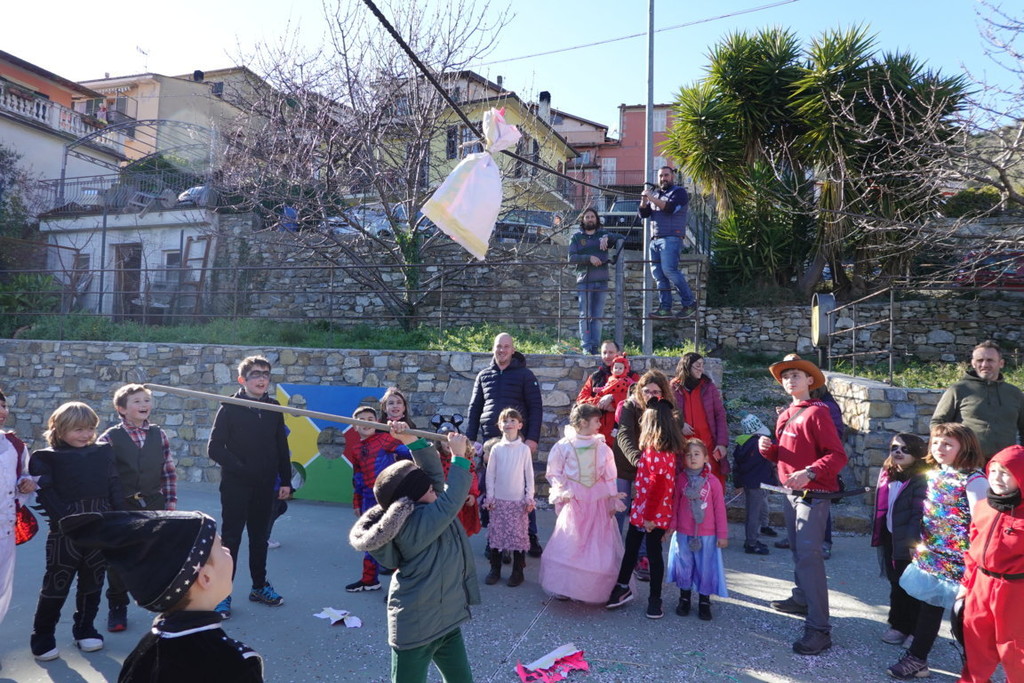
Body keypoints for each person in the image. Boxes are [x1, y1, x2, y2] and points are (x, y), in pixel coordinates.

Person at [61, 510, 263, 682]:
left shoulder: (141, 654)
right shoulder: (236, 663)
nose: (227, 550)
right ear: (206, 578)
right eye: (221, 546)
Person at [349, 426, 478, 683]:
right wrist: (459, 457)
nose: (435, 489)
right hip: (416, 629)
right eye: (428, 488)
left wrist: (412, 441)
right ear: (412, 498)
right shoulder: (418, 522)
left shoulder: (428, 502)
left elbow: (433, 477)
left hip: (446, 621)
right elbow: (454, 497)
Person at [757, 353, 846, 656]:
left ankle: (820, 629)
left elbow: (837, 456)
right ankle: (802, 598)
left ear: (810, 380)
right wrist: (769, 451)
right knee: (798, 550)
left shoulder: (818, 412)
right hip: (790, 492)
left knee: (809, 556)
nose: (789, 380)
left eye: (795, 374)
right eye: (785, 376)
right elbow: (787, 454)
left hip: (813, 494)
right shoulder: (786, 414)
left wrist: (809, 472)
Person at [888, 423, 986, 679]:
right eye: (936, 443)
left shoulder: (974, 481)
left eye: (948, 444)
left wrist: (975, 560)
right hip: (933, 556)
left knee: (964, 616)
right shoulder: (936, 474)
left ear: (965, 448)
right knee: (929, 607)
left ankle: (976, 667)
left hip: (962, 562)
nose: (939, 448)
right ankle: (917, 659)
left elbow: (982, 523)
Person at [29, 401, 124, 661]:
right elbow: (47, 495)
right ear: (59, 429)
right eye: (78, 429)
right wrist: (69, 522)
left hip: (100, 527)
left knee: (93, 581)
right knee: (57, 583)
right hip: (65, 533)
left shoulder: (103, 451)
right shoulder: (44, 457)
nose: (86, 434)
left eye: (90, 428)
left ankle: (85, 628)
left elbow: (114, 485)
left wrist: (122, 520)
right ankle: (42, 635)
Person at [207, 355, 292, 619]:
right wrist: (241, 467)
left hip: (265, 486)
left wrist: (285, 480)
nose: (262, 379)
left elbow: (281, 447)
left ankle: (259, 587)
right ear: (242, 379)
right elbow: (214, 448)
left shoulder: (273, 408)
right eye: (256, 374)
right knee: (231, 539)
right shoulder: (229, 407)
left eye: (266, 374)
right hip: (236, 485)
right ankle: (222, 594)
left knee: (259, 538)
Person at [97, 383, 177, 633]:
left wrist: (170, 504)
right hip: (122, 504)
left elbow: (168, 471)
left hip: (154, 502)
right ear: (121, 409)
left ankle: (162, 604)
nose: (144, 405)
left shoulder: (159, 434)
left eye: (146, 400)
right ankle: (117, 606)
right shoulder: (109, 438)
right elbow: (101, 474)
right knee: (119, 558)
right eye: (137, 401)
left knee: (157, 555)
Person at [466, 333, 544, 557]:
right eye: (498, 346)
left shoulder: (525, 375)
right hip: (491, 441)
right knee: (491, 489)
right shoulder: (484, 375)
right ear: (493, 348)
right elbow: (474, 408)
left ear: (513, 349)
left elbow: (536, 408)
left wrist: (532, 438)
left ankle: (530, 535)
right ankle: (495, 540)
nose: (502, 350)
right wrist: (470, 439)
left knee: (522, 489)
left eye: (506, 346)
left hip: (517, 440)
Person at [607, 398, 684, 619]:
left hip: (652, 515)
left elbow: (658, 487)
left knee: (653, 554)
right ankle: (623, 586)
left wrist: (649, 517)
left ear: (652, 425)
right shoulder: (653, 450)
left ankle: (655, 599)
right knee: (631, 549)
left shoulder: (659, 453)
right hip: (642, 512)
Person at [541, 404, 625, 603]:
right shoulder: (564, 446)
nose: (599, 425)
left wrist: (612, 497)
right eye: (596, 421)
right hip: (575, 499)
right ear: (583, 422)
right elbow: (554, 471)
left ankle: (589, 588)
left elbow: (609, 475)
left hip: (597, 501)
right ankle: (565, 585)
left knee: (596, 543)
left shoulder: (602, 448)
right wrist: (561, 490)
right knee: (571, 540)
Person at [958, 445, 1024, 683]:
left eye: (1006, 473)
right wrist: (965, 585)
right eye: (993, 470)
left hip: (1015, 590)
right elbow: (973, 547)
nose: (997, 478)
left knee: (1015, 649)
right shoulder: (984, 505)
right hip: (981, 583)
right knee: (975, 639)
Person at [614, 370, 675, 580]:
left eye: (655, 392)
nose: (650, 395)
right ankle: (614, 552)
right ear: (640, 390)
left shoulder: (666, 408)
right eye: (647, 391)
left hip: (652, 466)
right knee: (620, 509)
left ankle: (641, 557)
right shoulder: (630, 406)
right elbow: (624, 434)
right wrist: (637, 459)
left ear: (663, 392)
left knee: (646, 510)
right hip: (629, 463)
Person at [869, 433, 928, 649]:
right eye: (894, 448)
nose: (898, 452)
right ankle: (898, 625)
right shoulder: (889, 473)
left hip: (911, 542)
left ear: (918, 453)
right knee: (896, 584)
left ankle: (916, 630)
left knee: (915, 587)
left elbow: (919, 514)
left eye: (905, 449)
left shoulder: (922, 478)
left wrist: (913, 543)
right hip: (891, 537)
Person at [346, 405, 411, 592]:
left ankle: (400, 588)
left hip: (390, 497)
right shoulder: (356, 449)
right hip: (368, 499)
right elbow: (357, 477)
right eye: (361, 420)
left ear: (377, 423)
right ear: (354, 426)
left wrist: (405, 437)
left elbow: (408, 453)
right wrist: (357, 501)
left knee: (396, 540)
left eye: (370, 419)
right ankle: (369, 580)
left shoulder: (385, 440)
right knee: (370, 539)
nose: (366, 423)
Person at [667, 438, 728, 620]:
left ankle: (704, 601)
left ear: (706, 458)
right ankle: (684, 598)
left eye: (697, 454)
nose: (693, 458)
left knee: (705, 568)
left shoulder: (713, 482)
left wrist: (722, 534)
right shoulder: (681, 480)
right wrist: (672, 526)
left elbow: (719, 510)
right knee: (684, 565)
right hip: (684, 532)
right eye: (688, 455)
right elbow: (675, 505)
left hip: (707, 534)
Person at [931, 340, 1024, 459]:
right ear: (973, 363)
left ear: (1001, 363)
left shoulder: (1014, 393)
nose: (984, 365)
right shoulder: (959, 390)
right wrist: (946, 450)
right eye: (980, 360)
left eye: (990, 360)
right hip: (967, 460)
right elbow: (938, 422)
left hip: (1004, 463)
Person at [0, 388, 38, 636]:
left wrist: (27, 483)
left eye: (3, 406)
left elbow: (24, 475)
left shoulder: (14, 444)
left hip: (4, 531)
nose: (2, 411)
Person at [483, 408, 535, 587]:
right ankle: (495, 569)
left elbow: (529, 475)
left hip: (518, 502)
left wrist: (529, 497)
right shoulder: (496, 449)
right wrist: (490, 497)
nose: (509, 423)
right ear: (499, 425)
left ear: (520, 425)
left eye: (513, 420)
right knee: (497, 535)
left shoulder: (524, 450)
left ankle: (518, 571)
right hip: (498, 501)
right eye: (505, 421)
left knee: (518, 537)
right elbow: (490, 474)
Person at [639, 166, 696, 319]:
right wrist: (644, 200)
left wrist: (651, 198)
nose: (663, 178)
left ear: (672, 177)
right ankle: (665, 308)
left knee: (669, 270)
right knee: (658, 275)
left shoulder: (679, 192)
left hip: (671, 238)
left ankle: (689, 303)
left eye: (666, 175)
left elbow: (670, 209)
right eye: (660, 176)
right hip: (655, 239)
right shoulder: (656, 194)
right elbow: (644, 214)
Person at [567, 208, 624, 354]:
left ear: (597, 219)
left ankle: (595, 347)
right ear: (583, 220)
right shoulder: (576, 237)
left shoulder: (602, 235)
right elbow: (571, 258)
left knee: (597, 317)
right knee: (584, 315)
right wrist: (589, 258)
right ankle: (586, 347)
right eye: (587, 217)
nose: (590, 219)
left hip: (601, 281)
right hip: (584, 281)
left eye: (592, 216)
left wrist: (607, 237)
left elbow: (621, 237)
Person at [670, 353, 728, 487]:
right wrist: (680, 424)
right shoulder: (674, 387)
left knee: (713, 481)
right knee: (684, 482)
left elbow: (720, 414)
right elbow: (668, 412)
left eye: (702, 365)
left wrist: (722, 443)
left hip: (708, 444)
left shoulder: (708, 386)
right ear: (687, 367)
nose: (701, 369)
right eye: (697, 366)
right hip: (684, 446)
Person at [576, 340, 639, 450]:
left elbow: (640, 397)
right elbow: (581, 399)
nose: (607, 356)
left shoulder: (632, 377)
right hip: (597, 433)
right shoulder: (595, 377)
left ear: (618, 353)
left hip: (623, 432)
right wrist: (601, 402)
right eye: (604, 352)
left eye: (611, 352)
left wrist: (614, 399)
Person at [732, 413, 776, 555]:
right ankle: (751, 543)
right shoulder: (761, 443)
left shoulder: (741, 444)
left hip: (748, 482)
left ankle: (752, 539)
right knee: (754, 514)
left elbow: (736, 466)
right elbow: (769, 465)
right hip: (759, 483)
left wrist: (738, 484)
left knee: (753, 512)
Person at [434, 417, 481, 538]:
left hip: (461, 501)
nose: (449, 443)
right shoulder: (437, 458)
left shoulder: (465, 459)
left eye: (452, 439)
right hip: (442, 501)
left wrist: (472, 494)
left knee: (460, 528)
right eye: (444, 439)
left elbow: (472, 477)